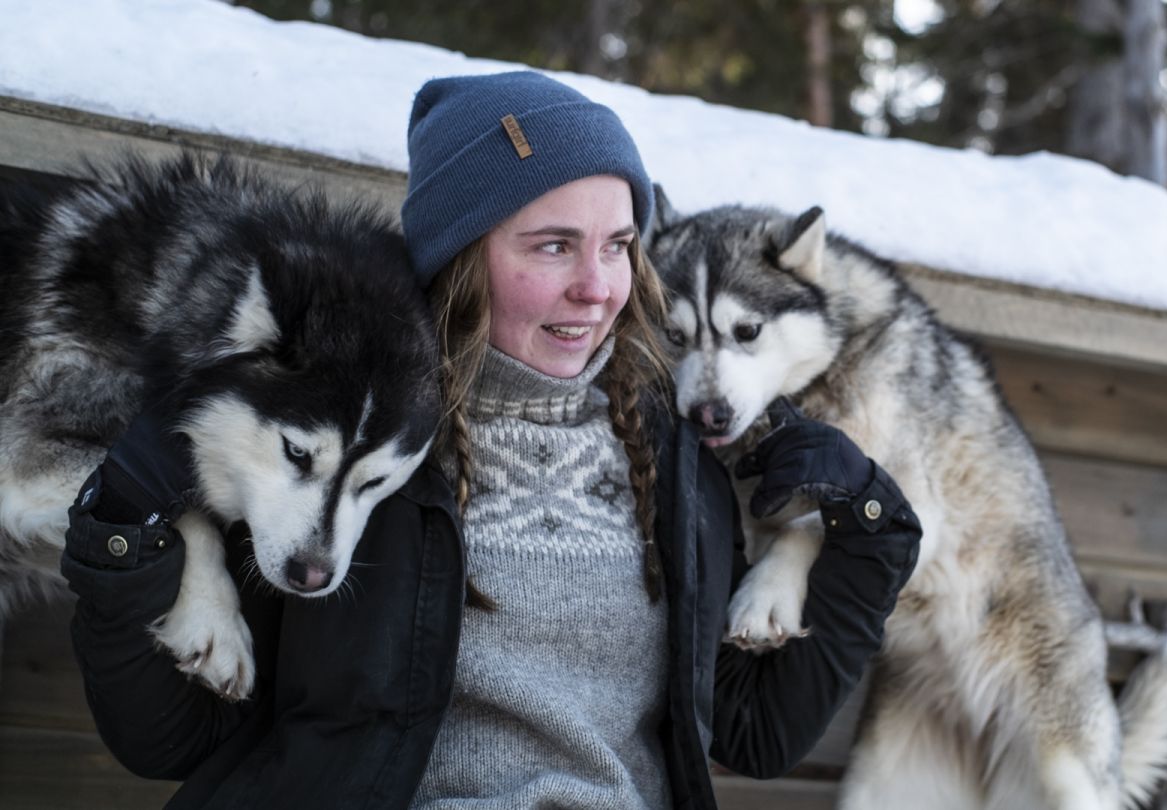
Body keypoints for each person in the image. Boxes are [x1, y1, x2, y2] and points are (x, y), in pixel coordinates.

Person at [62, 71, 922, 809]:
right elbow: (170, 741)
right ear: (464, 254)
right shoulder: (354, 438)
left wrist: (869, 537)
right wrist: (126, 529)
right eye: (553, 246)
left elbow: (752, 732)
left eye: (619, 246)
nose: (596, 288)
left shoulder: (667, 449)